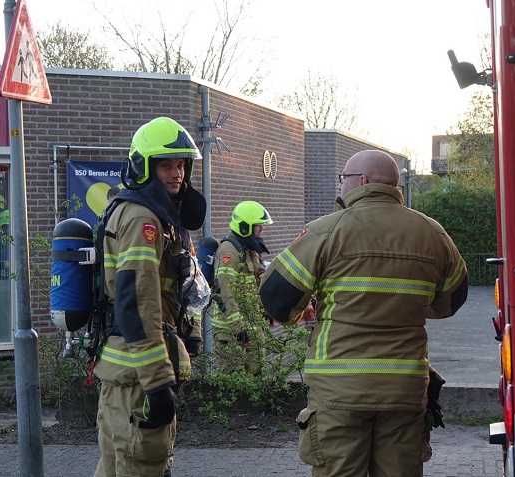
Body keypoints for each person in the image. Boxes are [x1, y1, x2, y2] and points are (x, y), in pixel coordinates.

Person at [258, 150, 469, 477]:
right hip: (404, 389)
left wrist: (304, 308)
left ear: (362, 181)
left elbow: (276, 299)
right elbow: (451, 301)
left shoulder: (326, 230)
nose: (340, 187)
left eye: (342, 179)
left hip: (339, 392)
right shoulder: (432, 233)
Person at [92, 117, 206, 477]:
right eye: (166, 165)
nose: (177, 174)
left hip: (124, 372)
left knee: (115, 467)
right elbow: (138, 302)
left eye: (181, 165)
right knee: (142, 465)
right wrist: (157, 383)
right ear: (144, 167)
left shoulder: (141, 211)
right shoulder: (144, 219)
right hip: (138, 378)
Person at [212, 200, 273, 375]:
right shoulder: (228, 251)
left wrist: (265, 312)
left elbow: (253, 286)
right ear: (245, 226)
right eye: (258, 226)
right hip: (231, 332)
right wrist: (239, 330)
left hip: (251, 329)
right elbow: (225, 292)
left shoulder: (250, 251)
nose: (262, 230)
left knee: (255, 378)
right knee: (235, 382)